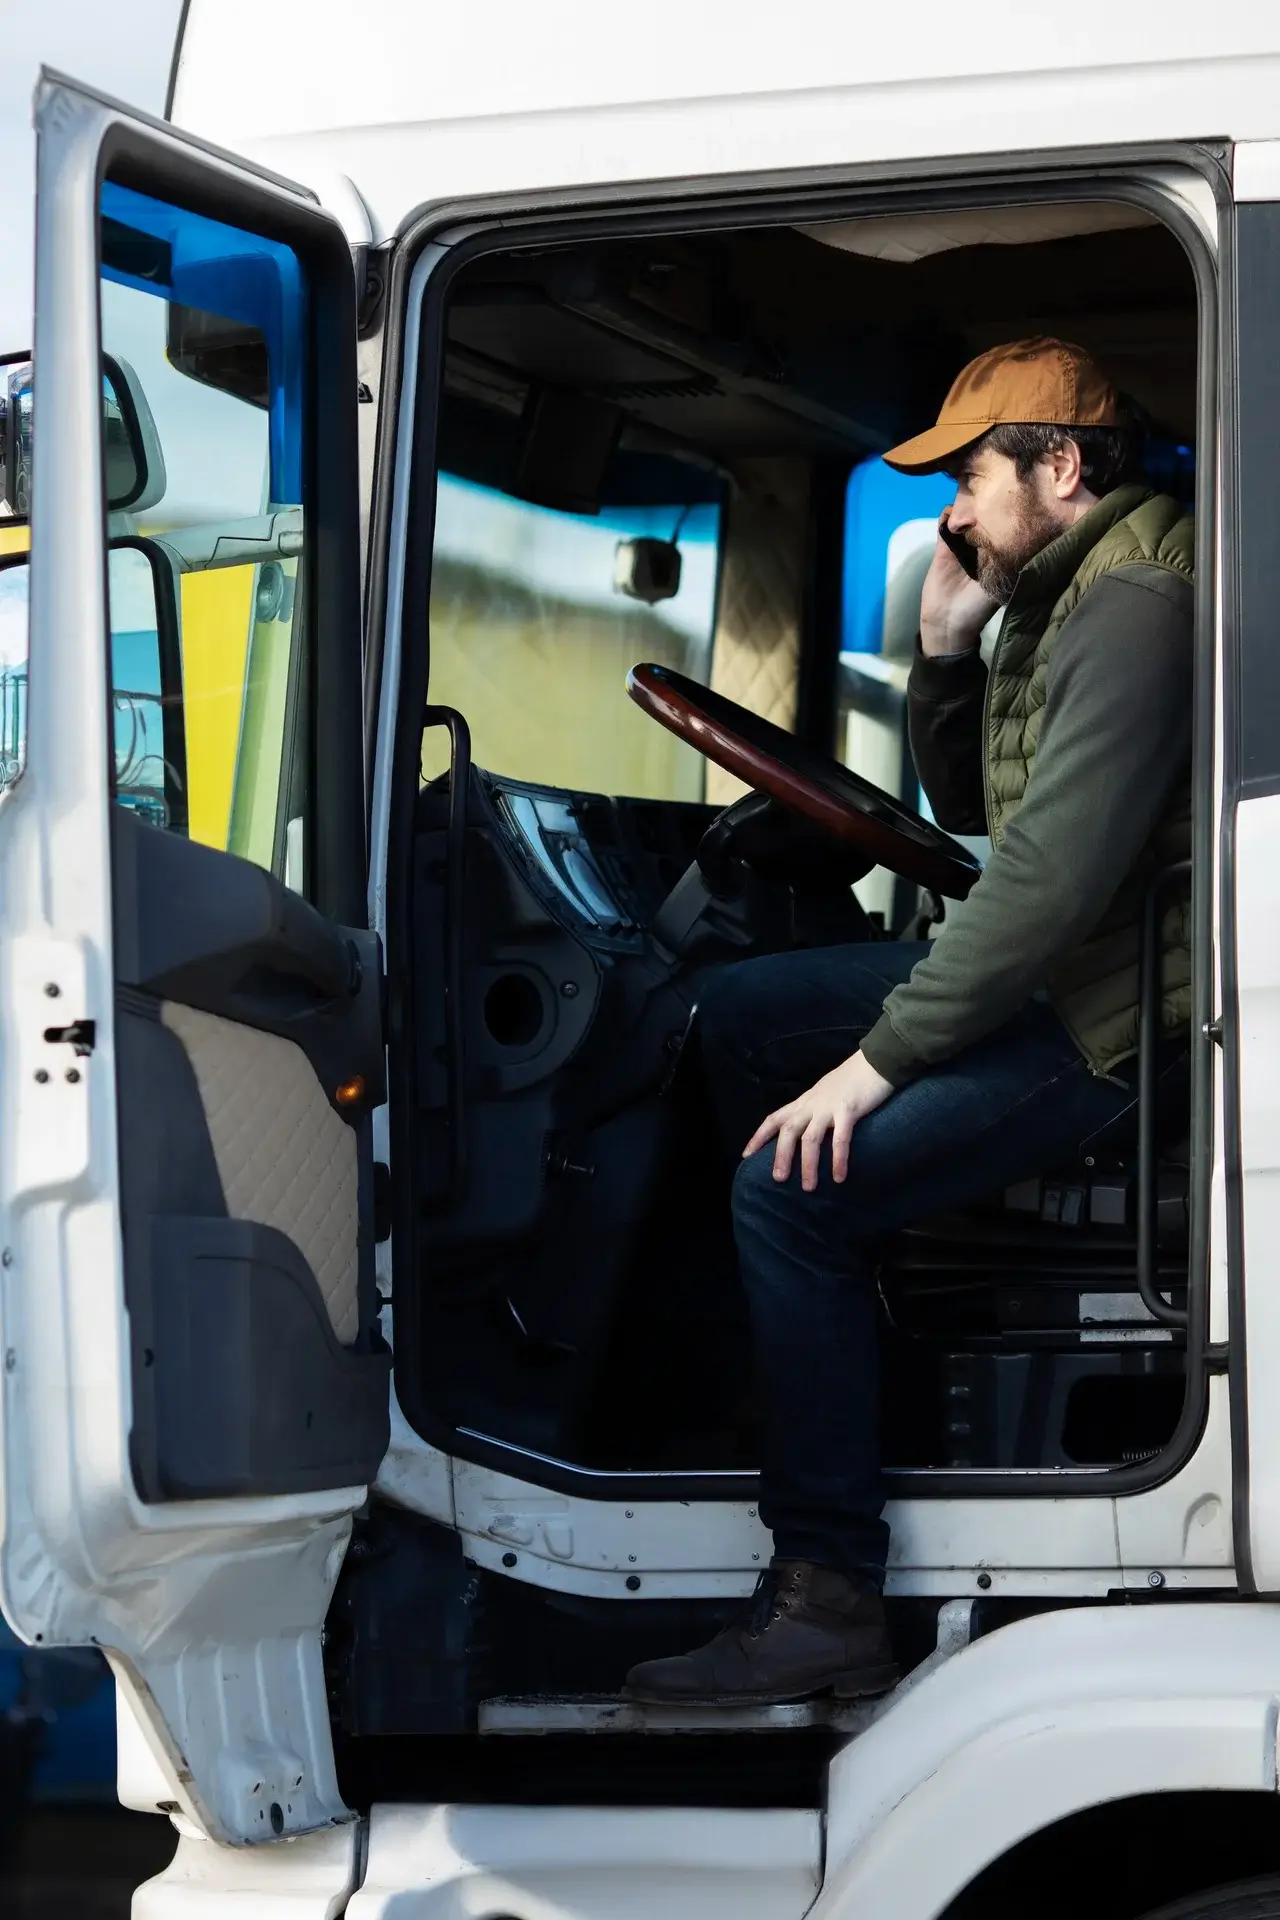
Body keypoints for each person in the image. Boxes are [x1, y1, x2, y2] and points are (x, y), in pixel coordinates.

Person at [625, 337, 1195, 1705]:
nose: (949, 511)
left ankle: (825, 1589)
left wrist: (875, 1072)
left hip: (1121, 1021)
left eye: (970, 476)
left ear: (1059, 467)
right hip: (1071, 971)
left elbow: (1048, 888)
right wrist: (945, 653)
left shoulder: (1134, 603)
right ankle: (801, 1377)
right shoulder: (1058, 593)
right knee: (738, 1015)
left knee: (786, 1191)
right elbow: (983, 820)